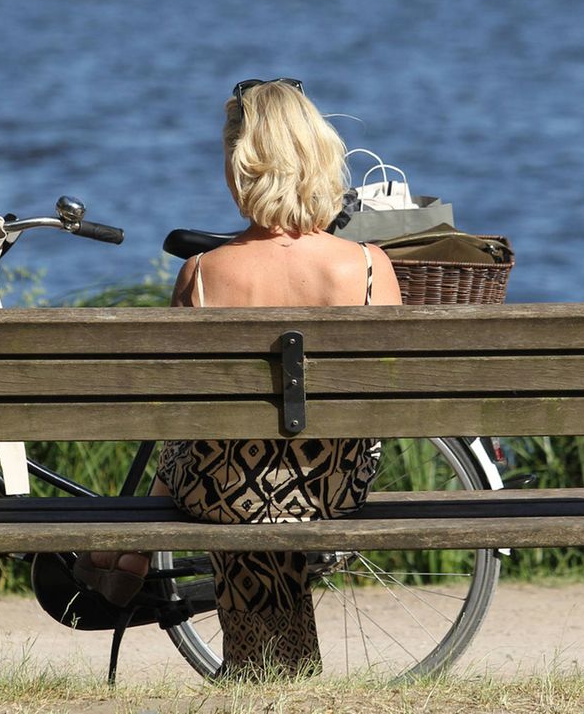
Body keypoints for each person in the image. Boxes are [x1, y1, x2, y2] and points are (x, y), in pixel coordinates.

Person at [73, 78, 402, 678]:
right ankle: (280, 669)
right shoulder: (370, 266)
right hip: (333, 485)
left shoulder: (203, 273)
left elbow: (176, 406)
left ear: (241, 167)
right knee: (260, 468)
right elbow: (389, 395)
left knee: (218, 461)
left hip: (227, 489)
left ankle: (257, 664)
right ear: (318, 159)